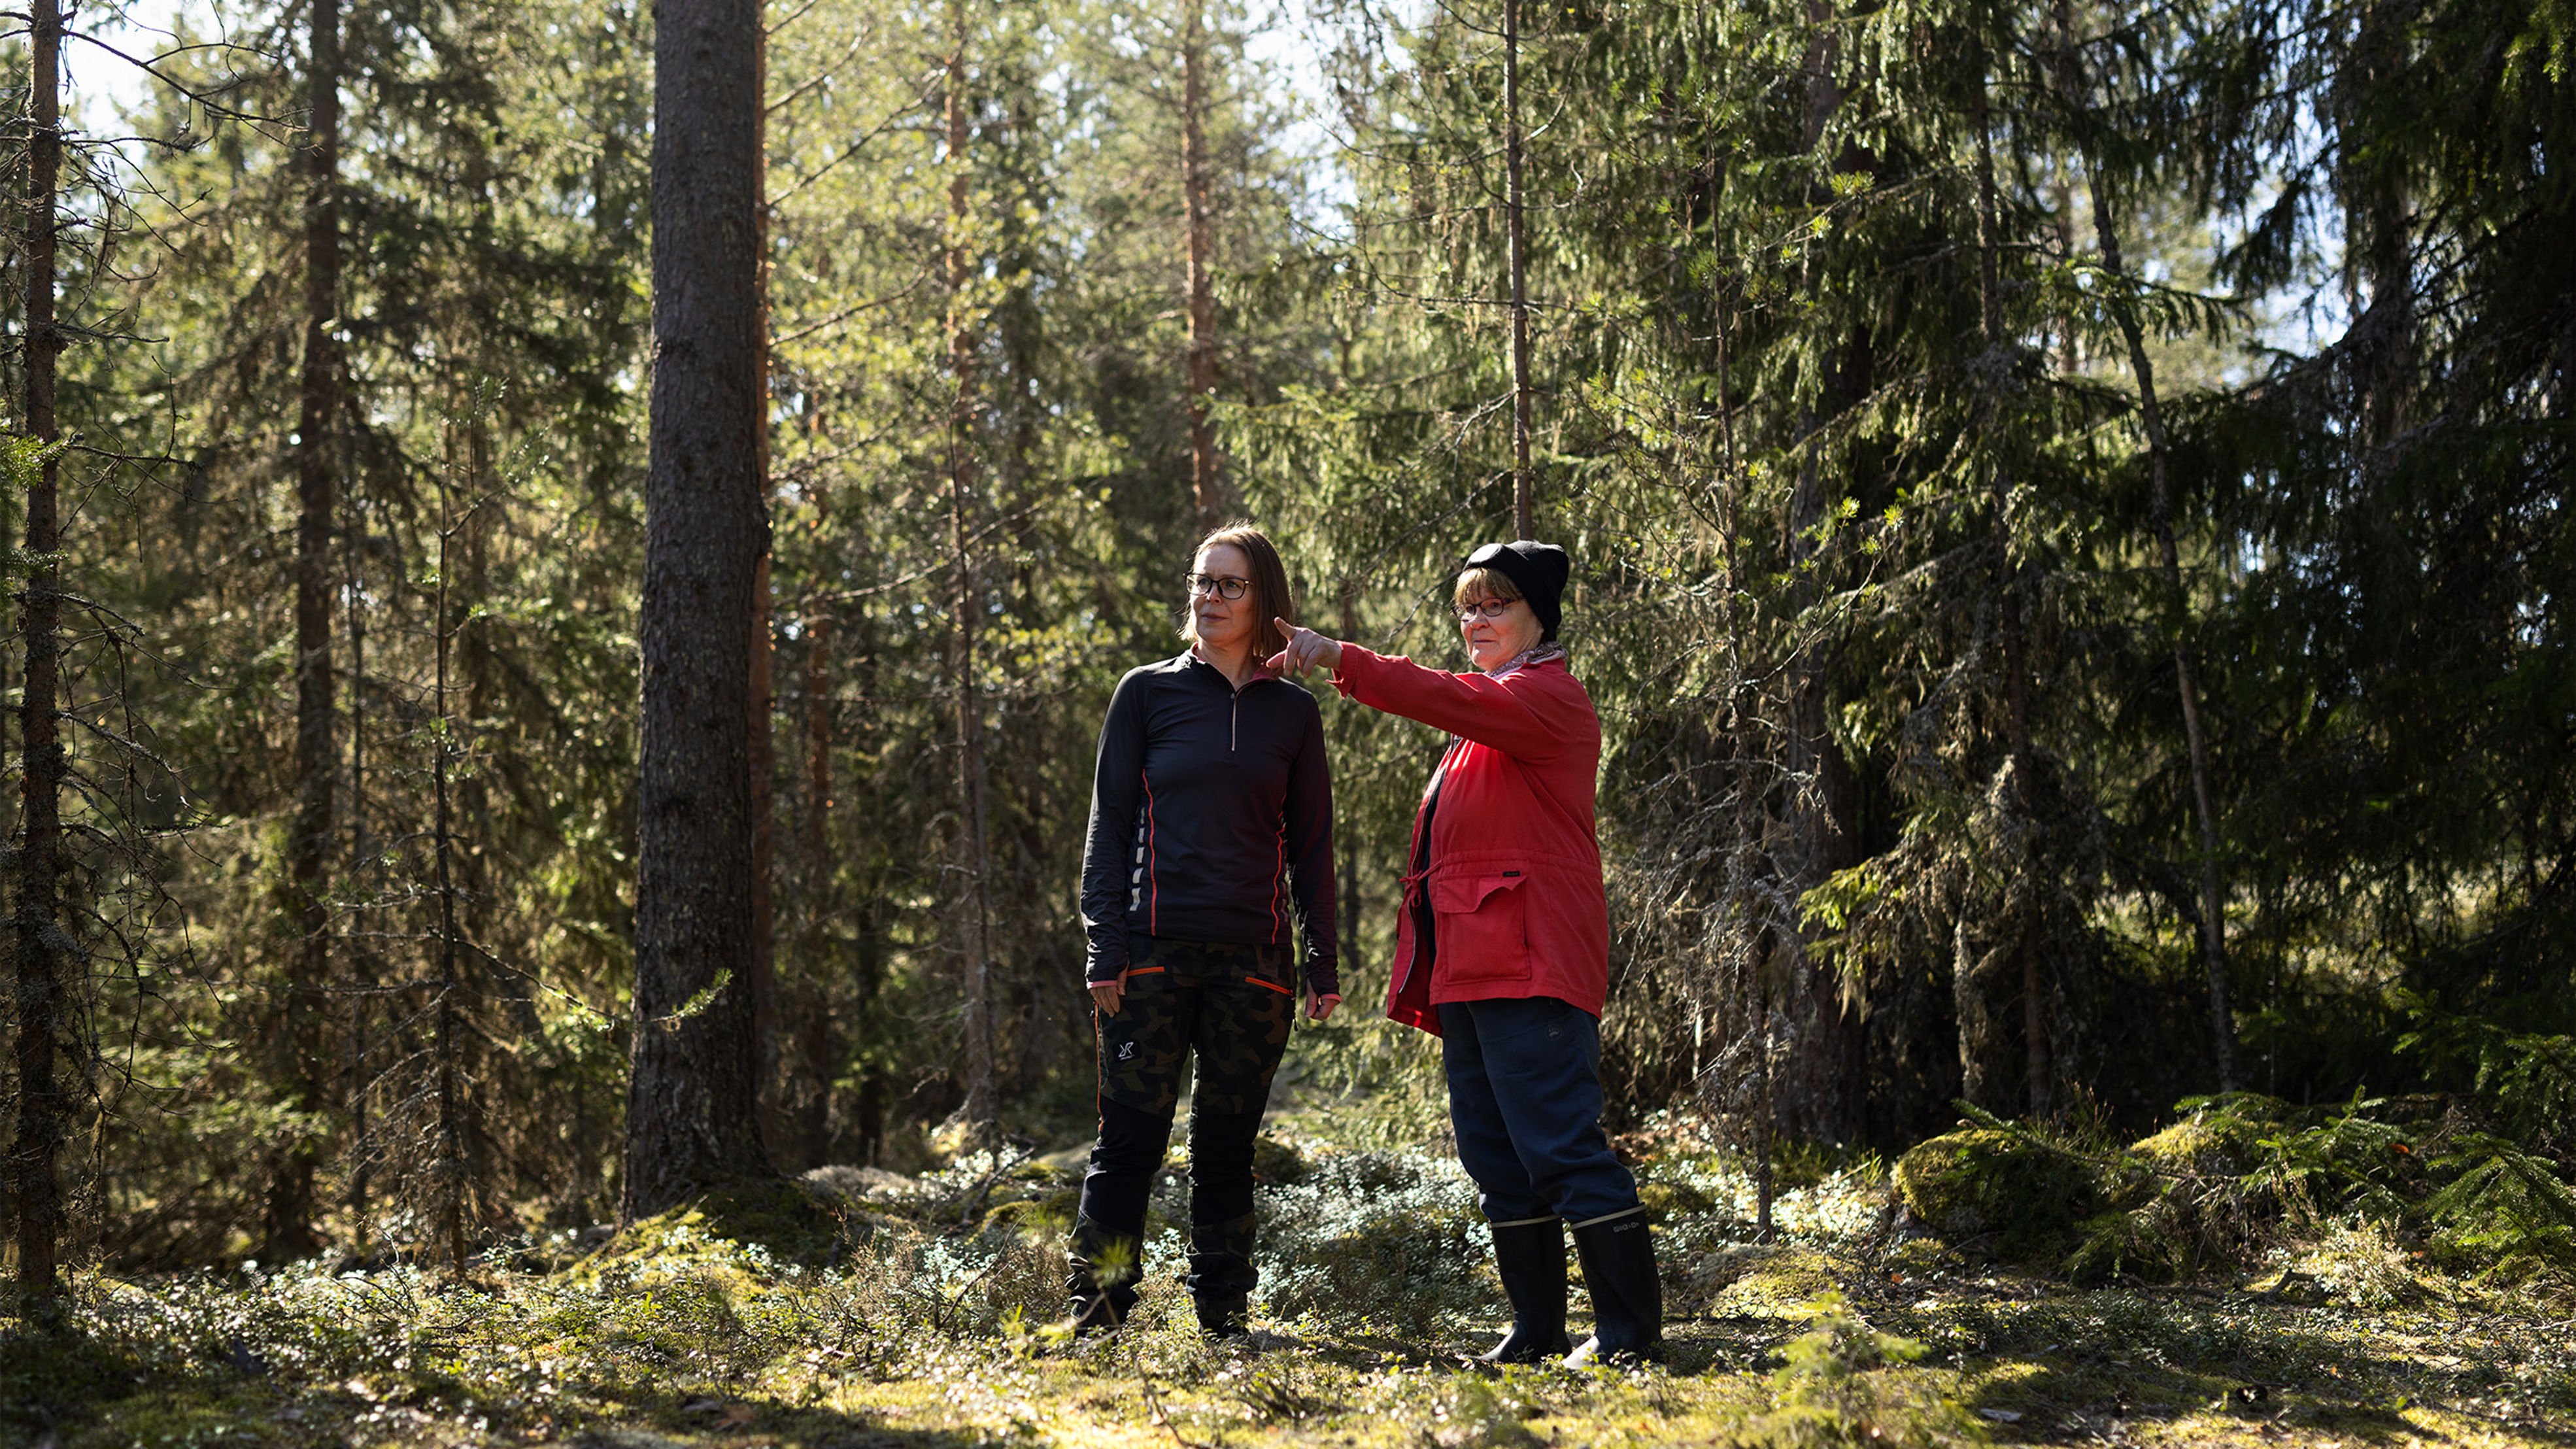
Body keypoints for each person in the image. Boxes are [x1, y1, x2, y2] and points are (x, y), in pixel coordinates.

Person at [1266, 540, 1661, 1367]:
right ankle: (1538, 1329)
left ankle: (1630, 1335)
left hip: (1533, 963)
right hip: (1478, 968)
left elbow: (1442, 695)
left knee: (1559, 1147)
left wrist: (1342, 658)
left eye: (1495, 605)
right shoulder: (1487, 721)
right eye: (1467, 607)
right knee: (1496, 1157)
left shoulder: (1547, 698)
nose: (1475, 620)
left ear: (1537, 617)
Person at [1069, 523, 1342, 1337]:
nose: (1209, 597)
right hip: (1149, 958)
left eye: (1229, 585)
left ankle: (1223, 1320)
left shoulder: (1292, 713)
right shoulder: (1146, 692)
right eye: (1200, 581)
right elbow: (1107, 826)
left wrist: (1321, 962)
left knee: (1225, 1151)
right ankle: (1099, 1314)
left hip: (1254, 969)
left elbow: (1314, 845)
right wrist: (1104, 947)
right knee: (1128, 1148)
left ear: (1264, 599)